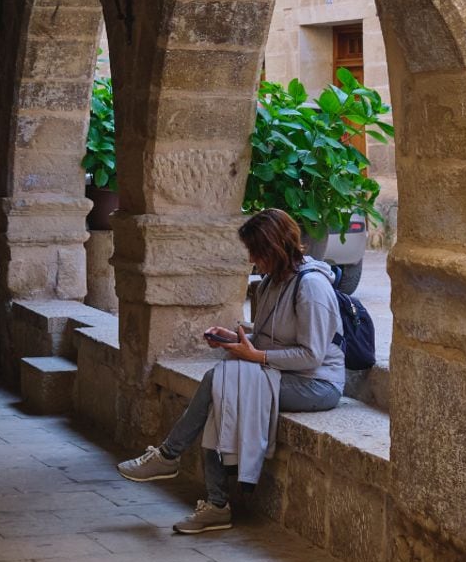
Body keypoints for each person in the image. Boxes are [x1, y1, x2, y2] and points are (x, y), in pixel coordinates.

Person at [116, 208, 345, 533]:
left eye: (256, 251)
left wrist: (255, 356)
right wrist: (233, 340)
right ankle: (214, 504)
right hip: (282, 374)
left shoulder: (311, 288)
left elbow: (310, 356)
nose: (252, 259)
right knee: (222, 389)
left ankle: (172, 458)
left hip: (316, 384)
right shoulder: (269, 283)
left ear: (275, 248)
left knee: (218, 380)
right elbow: (268, 339)